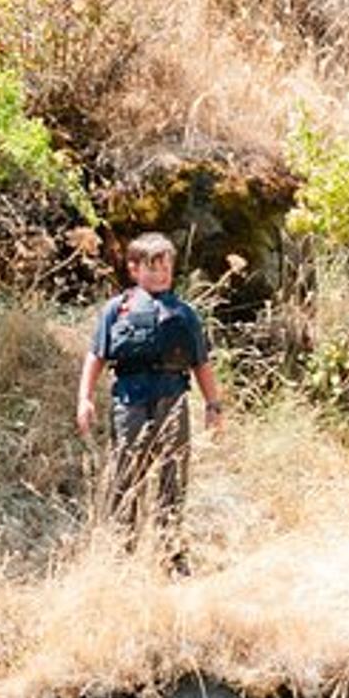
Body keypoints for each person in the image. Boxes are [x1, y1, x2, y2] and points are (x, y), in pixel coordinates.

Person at [76, 232, 225, 573]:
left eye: (167, 267)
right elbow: (96, 356)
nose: (161, 274)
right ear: (134, 269)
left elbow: (201, 362)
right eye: (152, 267)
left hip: (172, 401)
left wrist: (213, 406)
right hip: (129, 402)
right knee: (126, 477)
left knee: (174, 479)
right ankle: (121, 556)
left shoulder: (185, 314)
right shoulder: (117, 309)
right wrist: (84, 398)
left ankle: (171, 554)